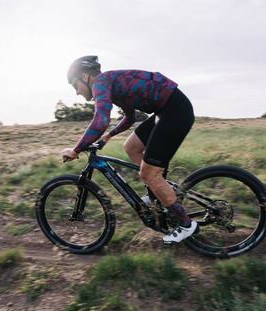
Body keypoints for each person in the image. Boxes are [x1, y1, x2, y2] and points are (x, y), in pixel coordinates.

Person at [61, 55, 198, 244]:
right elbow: (130, 117)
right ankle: (159, 192)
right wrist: (109, 136)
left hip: (174, 111)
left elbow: (101, 120)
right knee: (131, 147)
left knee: (149, 174)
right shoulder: (111, 83)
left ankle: (185, 224)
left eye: (75, 85)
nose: (76, 92)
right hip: (167, 110)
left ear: (85, 76)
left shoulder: (100, 82)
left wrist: (76, 149)